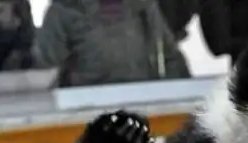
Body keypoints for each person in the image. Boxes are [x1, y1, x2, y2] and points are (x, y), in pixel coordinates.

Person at [33, 0, 191, 87]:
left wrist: (185, 98)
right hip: (85, 108)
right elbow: (46, 67)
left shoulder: (143, 6)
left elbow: (170, 56)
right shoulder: (64, 10)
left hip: (141, 101)